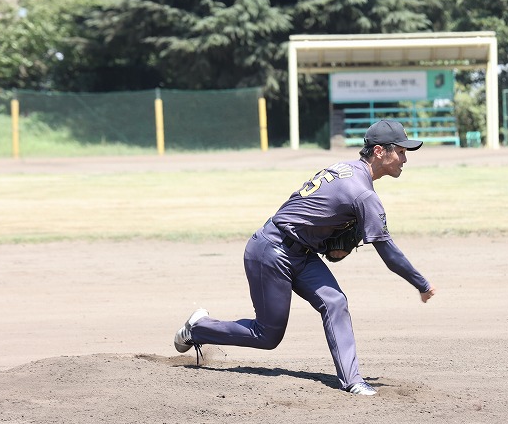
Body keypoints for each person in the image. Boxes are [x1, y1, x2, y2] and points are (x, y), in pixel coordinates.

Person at [173, 119, 436, 395]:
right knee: (268, 335)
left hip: (301, 252)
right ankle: (198, 328)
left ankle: (352, 380)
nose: (405, 158)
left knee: (335, 302)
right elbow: (388, 252)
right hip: (271, 250)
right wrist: (421, 283)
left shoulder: (345, 169)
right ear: (380, 151)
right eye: (401, 151)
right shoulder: (363, 194)